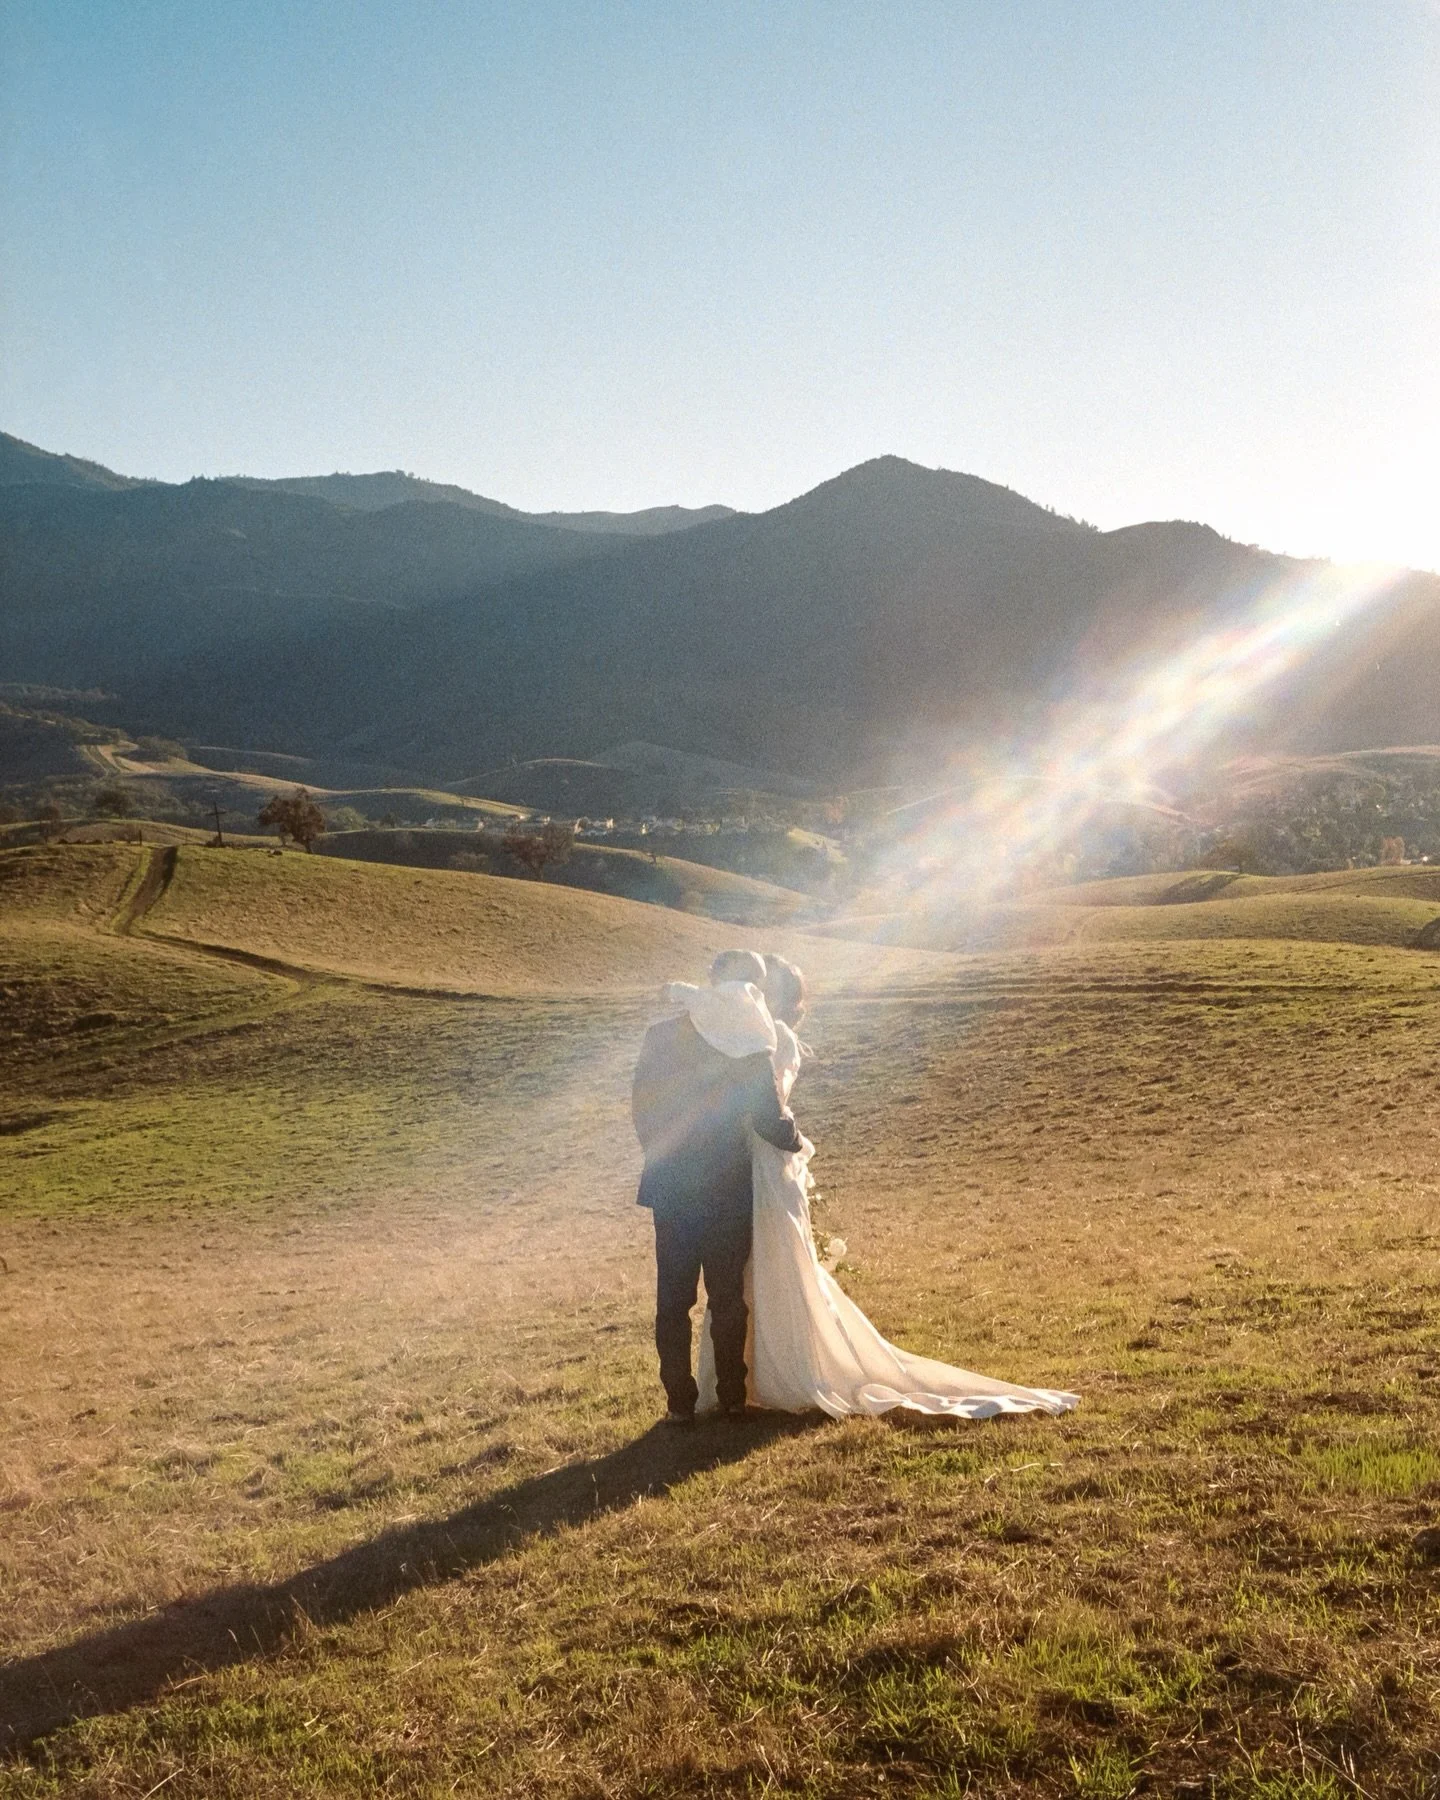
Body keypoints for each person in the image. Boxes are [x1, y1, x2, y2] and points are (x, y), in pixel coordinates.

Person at [688, 953, 1079, 1421]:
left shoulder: (772, 1040)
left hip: (768, 1165)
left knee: (773, 1264)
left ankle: (774, 1373)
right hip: (746, 1166)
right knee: (740, 1272)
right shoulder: (744, 1039)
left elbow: (763, 1107)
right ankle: (741, 1378)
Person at [631, 948, 804, 1423]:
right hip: (726, 1182)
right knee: (726, 1294)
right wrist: (796, 1141)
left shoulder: (663, 1034)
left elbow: (641, 1107)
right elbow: (769, 1117)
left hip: (671, 1184)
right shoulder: (749, 1039)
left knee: (673, 1298)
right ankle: (729, 1397)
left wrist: (664, 1155)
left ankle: (679, 1404)